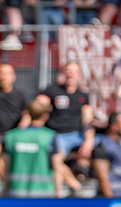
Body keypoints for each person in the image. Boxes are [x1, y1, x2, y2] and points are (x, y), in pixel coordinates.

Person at [40, 61, 94, 190]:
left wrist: (89, 141)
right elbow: (38, 106)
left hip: (77, 135)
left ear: (79, 74)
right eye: (68, 71)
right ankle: (74, 187)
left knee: (102, 150)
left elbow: (88, 119)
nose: (70, 74)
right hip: (58, 136)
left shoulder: (83, 96)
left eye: (73, 71)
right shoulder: (52, 91)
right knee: (56, 160)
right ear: (63, 73)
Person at [3, 100, 62, 197]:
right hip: (44, 193)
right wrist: (58, 192)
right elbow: (57, 167)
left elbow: (6, 165)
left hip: (16, 192)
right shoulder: (50, 136)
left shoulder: (12, 135)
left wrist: (5, 189)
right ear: (45, 116)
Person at [0, 63, 29, 180]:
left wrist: (24, 122)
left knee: (8, 160)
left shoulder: (20, 95)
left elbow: (26, 113)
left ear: (13, 77)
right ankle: (8, 182)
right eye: (1, 73)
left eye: (7, 73)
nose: (3, 76)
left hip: (14, 135)